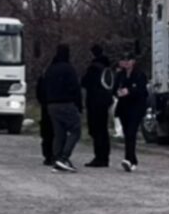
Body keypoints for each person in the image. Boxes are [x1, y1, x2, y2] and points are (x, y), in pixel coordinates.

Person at [43, 44, 83, 172]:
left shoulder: (50, 69)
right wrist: (79, 105)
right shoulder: (68, 69)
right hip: (66, 103)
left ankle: (56, 158)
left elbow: (42, 86)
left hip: (51, 105)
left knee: (59, 133)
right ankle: (64, 157)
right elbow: (76, 88)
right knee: (75, 130)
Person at [114, 52, 148, 172]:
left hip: (136, 107)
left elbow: (142, 91)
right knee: (126, 132)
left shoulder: (139, 75)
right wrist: (118, 92)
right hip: (123, 107)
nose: (125, 62)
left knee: (131, 132)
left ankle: (128, 159)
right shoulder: (119, 75)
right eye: (123, 60)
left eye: (128, 60)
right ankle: (132, 159)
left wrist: (129, 91)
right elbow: (114, 89)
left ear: (133, 62)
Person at [81, 44, 114, 167]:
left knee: (96, 130)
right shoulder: (107, 68)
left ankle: (99, 157)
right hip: (105, 102)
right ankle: (105, 157)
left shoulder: (93, 68)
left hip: (94, 102)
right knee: (103, 130)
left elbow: (84, 82)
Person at [36, 66, 54, 166]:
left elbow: (39, 92)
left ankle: (48, 156)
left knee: (47, 133)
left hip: (46, 107)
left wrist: (43, 102)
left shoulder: (44, 76)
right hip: (56, 105)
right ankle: (56, 155)